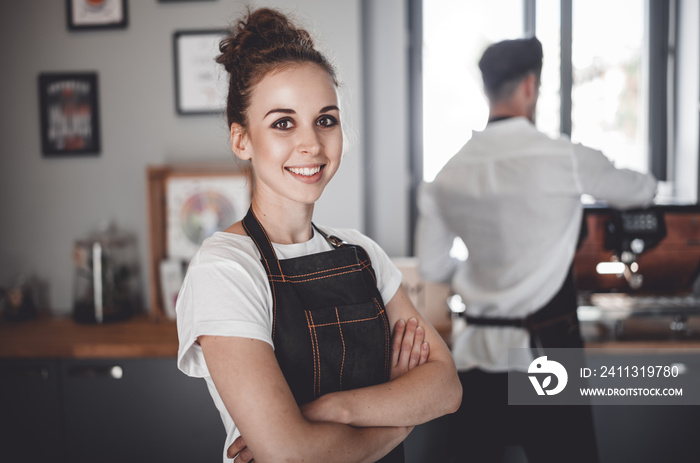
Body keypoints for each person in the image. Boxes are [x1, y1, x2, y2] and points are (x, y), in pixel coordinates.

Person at [176, 7, 462, 463]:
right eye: (283, 123)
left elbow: (445, 387)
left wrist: (333, 409)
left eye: (325, 119)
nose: (311, 143)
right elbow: (295, 457)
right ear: (241, 139)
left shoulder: (362, 253)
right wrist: (402, 411)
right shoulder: (226, 268)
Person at [417, 37, 657, 463]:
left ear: (489, 89)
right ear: (531, 86)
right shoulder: (564, 159)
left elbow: (434, 266)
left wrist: (482, 266)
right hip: (548, 357)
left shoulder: (447, 174)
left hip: (474, 356)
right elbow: (640, 189)